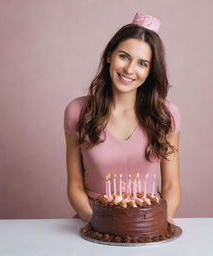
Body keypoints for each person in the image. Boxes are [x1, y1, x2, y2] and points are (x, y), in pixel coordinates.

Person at [64, 13, 181, 225]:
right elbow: (75, 185)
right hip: (94, 223)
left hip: (147, 224)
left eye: (142, 63)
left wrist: (157, 223)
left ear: (150, 71)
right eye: (124, 56)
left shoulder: (166, 115)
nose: (129, 69)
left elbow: (171, 185)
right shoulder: (78, 111)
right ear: (110, 55)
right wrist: (100, 223)